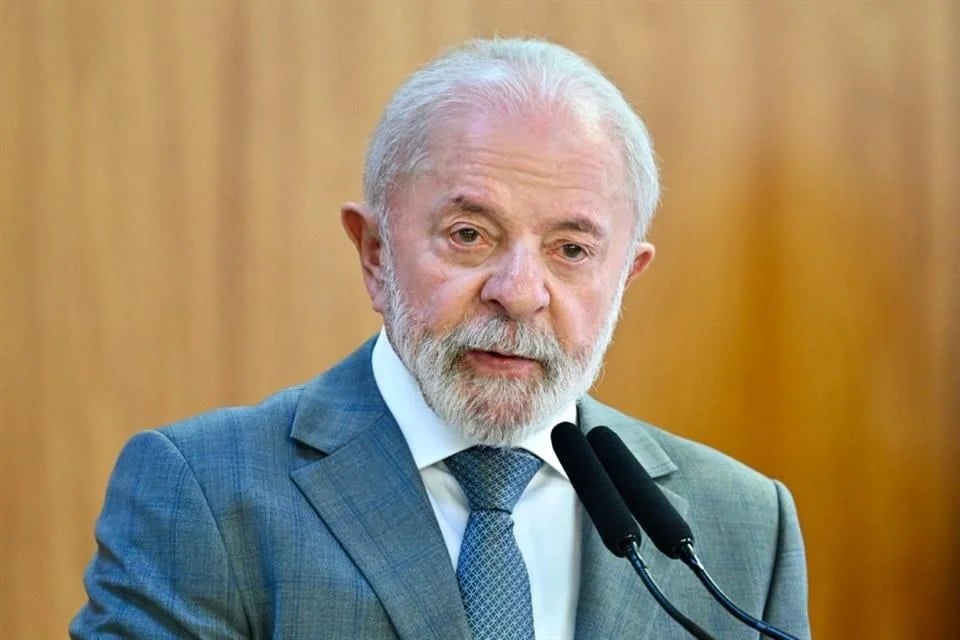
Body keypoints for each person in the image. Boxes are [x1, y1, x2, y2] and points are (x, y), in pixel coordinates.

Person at [71, 38, 810, 639]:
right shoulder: (205, 494)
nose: (519, 292)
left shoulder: (743, 527)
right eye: (469, 235)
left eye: (572, 250)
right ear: (375, 254)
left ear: (626, 276)